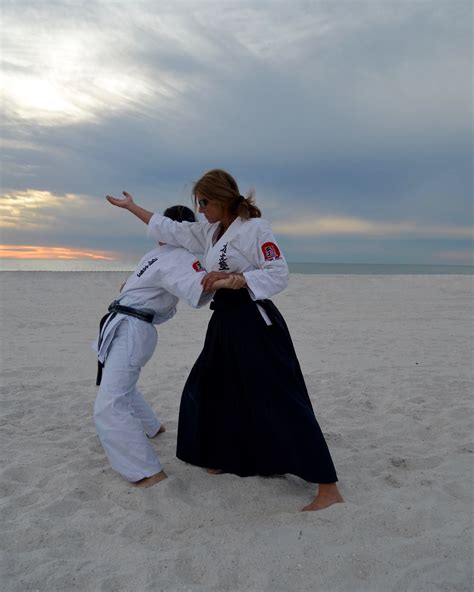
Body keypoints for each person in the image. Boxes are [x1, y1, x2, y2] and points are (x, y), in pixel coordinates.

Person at [106, 170, 344, 511]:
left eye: (203, 203)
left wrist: (235, 279)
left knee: (280, 397)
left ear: (220, 199)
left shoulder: (255, 230)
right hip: (226, 321)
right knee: (208, 388)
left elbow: (279, 274)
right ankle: (226, 456)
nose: (200, 210)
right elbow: (170, 229)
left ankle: (327, 487)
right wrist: (132, 207)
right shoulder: (210, 231)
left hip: (254, 320)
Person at [93, 204, 213, 488]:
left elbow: (197, 291)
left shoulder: (181, 258)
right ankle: (151, 426)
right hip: (120, 323)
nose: (158, 229)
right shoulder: (156, 255)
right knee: (120, 384)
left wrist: (227, 276)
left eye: (163, 224)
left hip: (134, 328)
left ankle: (147, 472)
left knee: (109, 405)